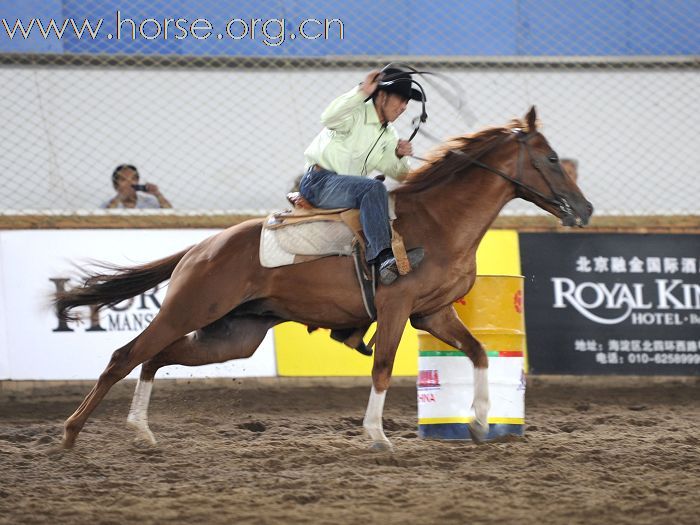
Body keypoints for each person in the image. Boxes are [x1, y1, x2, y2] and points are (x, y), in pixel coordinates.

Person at [299, 68, 424, 285]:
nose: (404, 107)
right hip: (318, 183)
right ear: (383, 96)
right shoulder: (355, 113)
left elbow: (401, 175)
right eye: (401, 99)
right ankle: (384, 259)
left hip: (344, 188)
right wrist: (361, 92)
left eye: (407, 102)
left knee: (378, 191)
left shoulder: (389, 135)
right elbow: (328, 117)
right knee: (372, 188)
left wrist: (400, 155)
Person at [101, 164, 172, 209]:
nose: (129, 183)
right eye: (123, 180)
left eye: (133, 179)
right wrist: (119, 198)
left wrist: (158, 194)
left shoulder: (149, 202)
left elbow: (170, 214)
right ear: (116, 185)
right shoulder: (107, 205)